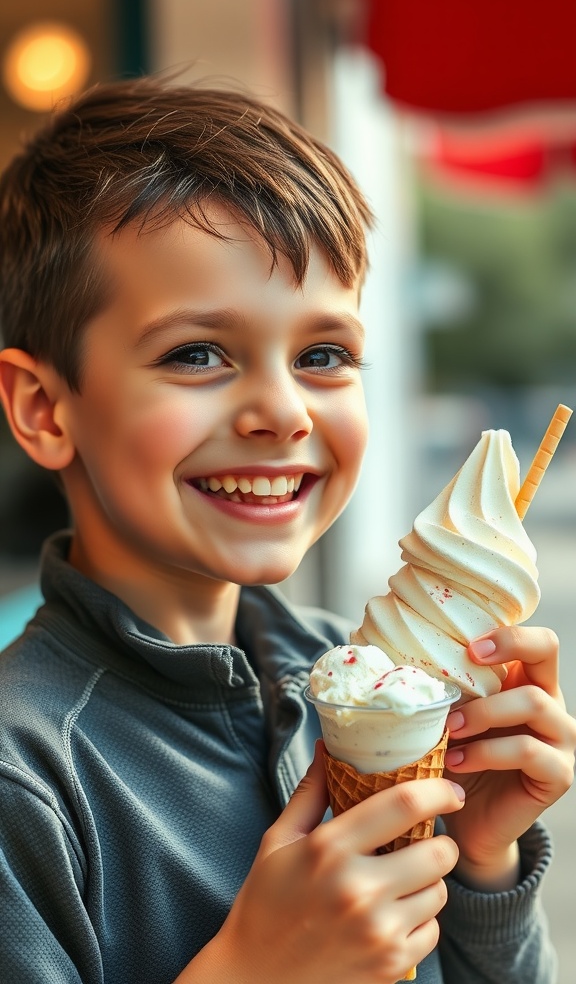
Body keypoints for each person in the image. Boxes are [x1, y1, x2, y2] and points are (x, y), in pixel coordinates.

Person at [0, 77, 574, 984]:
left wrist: (481, 861)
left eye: (323, 356)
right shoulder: (24, 776)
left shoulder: (350, 677)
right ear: (44, 407)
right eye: (197, 353)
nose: (283, 410)